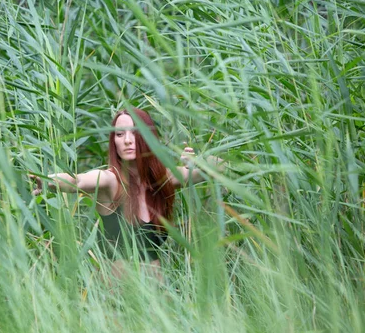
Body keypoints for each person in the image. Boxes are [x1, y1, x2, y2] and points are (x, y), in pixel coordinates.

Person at [30, 108, 222, 272]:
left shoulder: (164, 179)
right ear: (114, 141)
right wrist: (48, 181)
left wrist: (197, 163)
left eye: (134, 133)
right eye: (120, 134)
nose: (127, 140)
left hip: (159, 302)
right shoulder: (110, 181)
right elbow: (77, 181)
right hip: (117, 302)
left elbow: (220, 168)